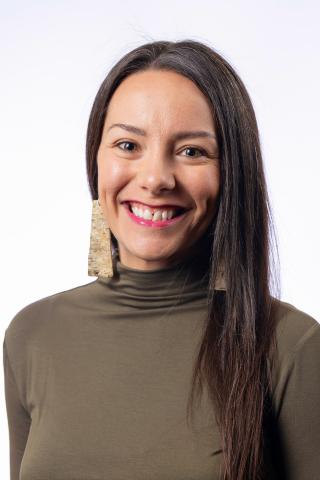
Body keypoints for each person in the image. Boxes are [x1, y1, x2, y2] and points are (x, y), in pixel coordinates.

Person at [3, 39, 320, 480]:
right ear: (96, 160)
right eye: (128, 145)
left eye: (192, 151)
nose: (155, 179)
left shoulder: (292, 345)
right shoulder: (31, 337)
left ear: (232, 172)